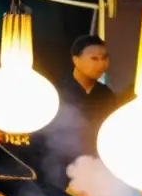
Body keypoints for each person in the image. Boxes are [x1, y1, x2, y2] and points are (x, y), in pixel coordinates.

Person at [45, 34, 117, 185]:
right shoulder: (56, 92)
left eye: (105, 58)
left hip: (95, 169)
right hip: (57, 168)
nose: (101, 64)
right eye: (94, 59)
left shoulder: (107, 95)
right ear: (75, 60)